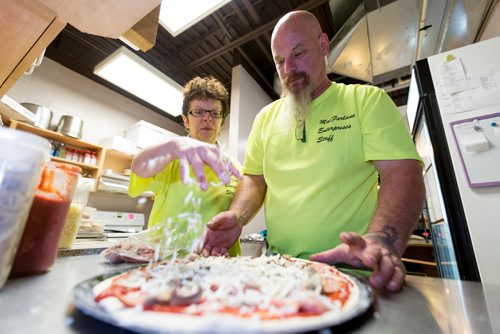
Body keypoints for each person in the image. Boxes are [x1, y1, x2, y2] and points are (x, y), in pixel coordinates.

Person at [202, 11, 425, 291]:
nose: (288, 69)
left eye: (298, 53)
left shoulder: (364, 101)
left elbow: (401, 171)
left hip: (352, 273)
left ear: (322, 45)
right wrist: (237, 216)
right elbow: (254, 180)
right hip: (281, 271)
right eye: (280, 60)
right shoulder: (265, 118)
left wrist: (382, 240)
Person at [128, 76, 242, 256]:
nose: (207, 118)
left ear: (222, 122)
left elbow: (241, 212)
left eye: (214, 113)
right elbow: (138, 166)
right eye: (198, 112)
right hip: (167, 266)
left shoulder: (235, 167)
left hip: (221, 263)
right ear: (186, 121)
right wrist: (173, 146)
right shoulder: (171, 158)